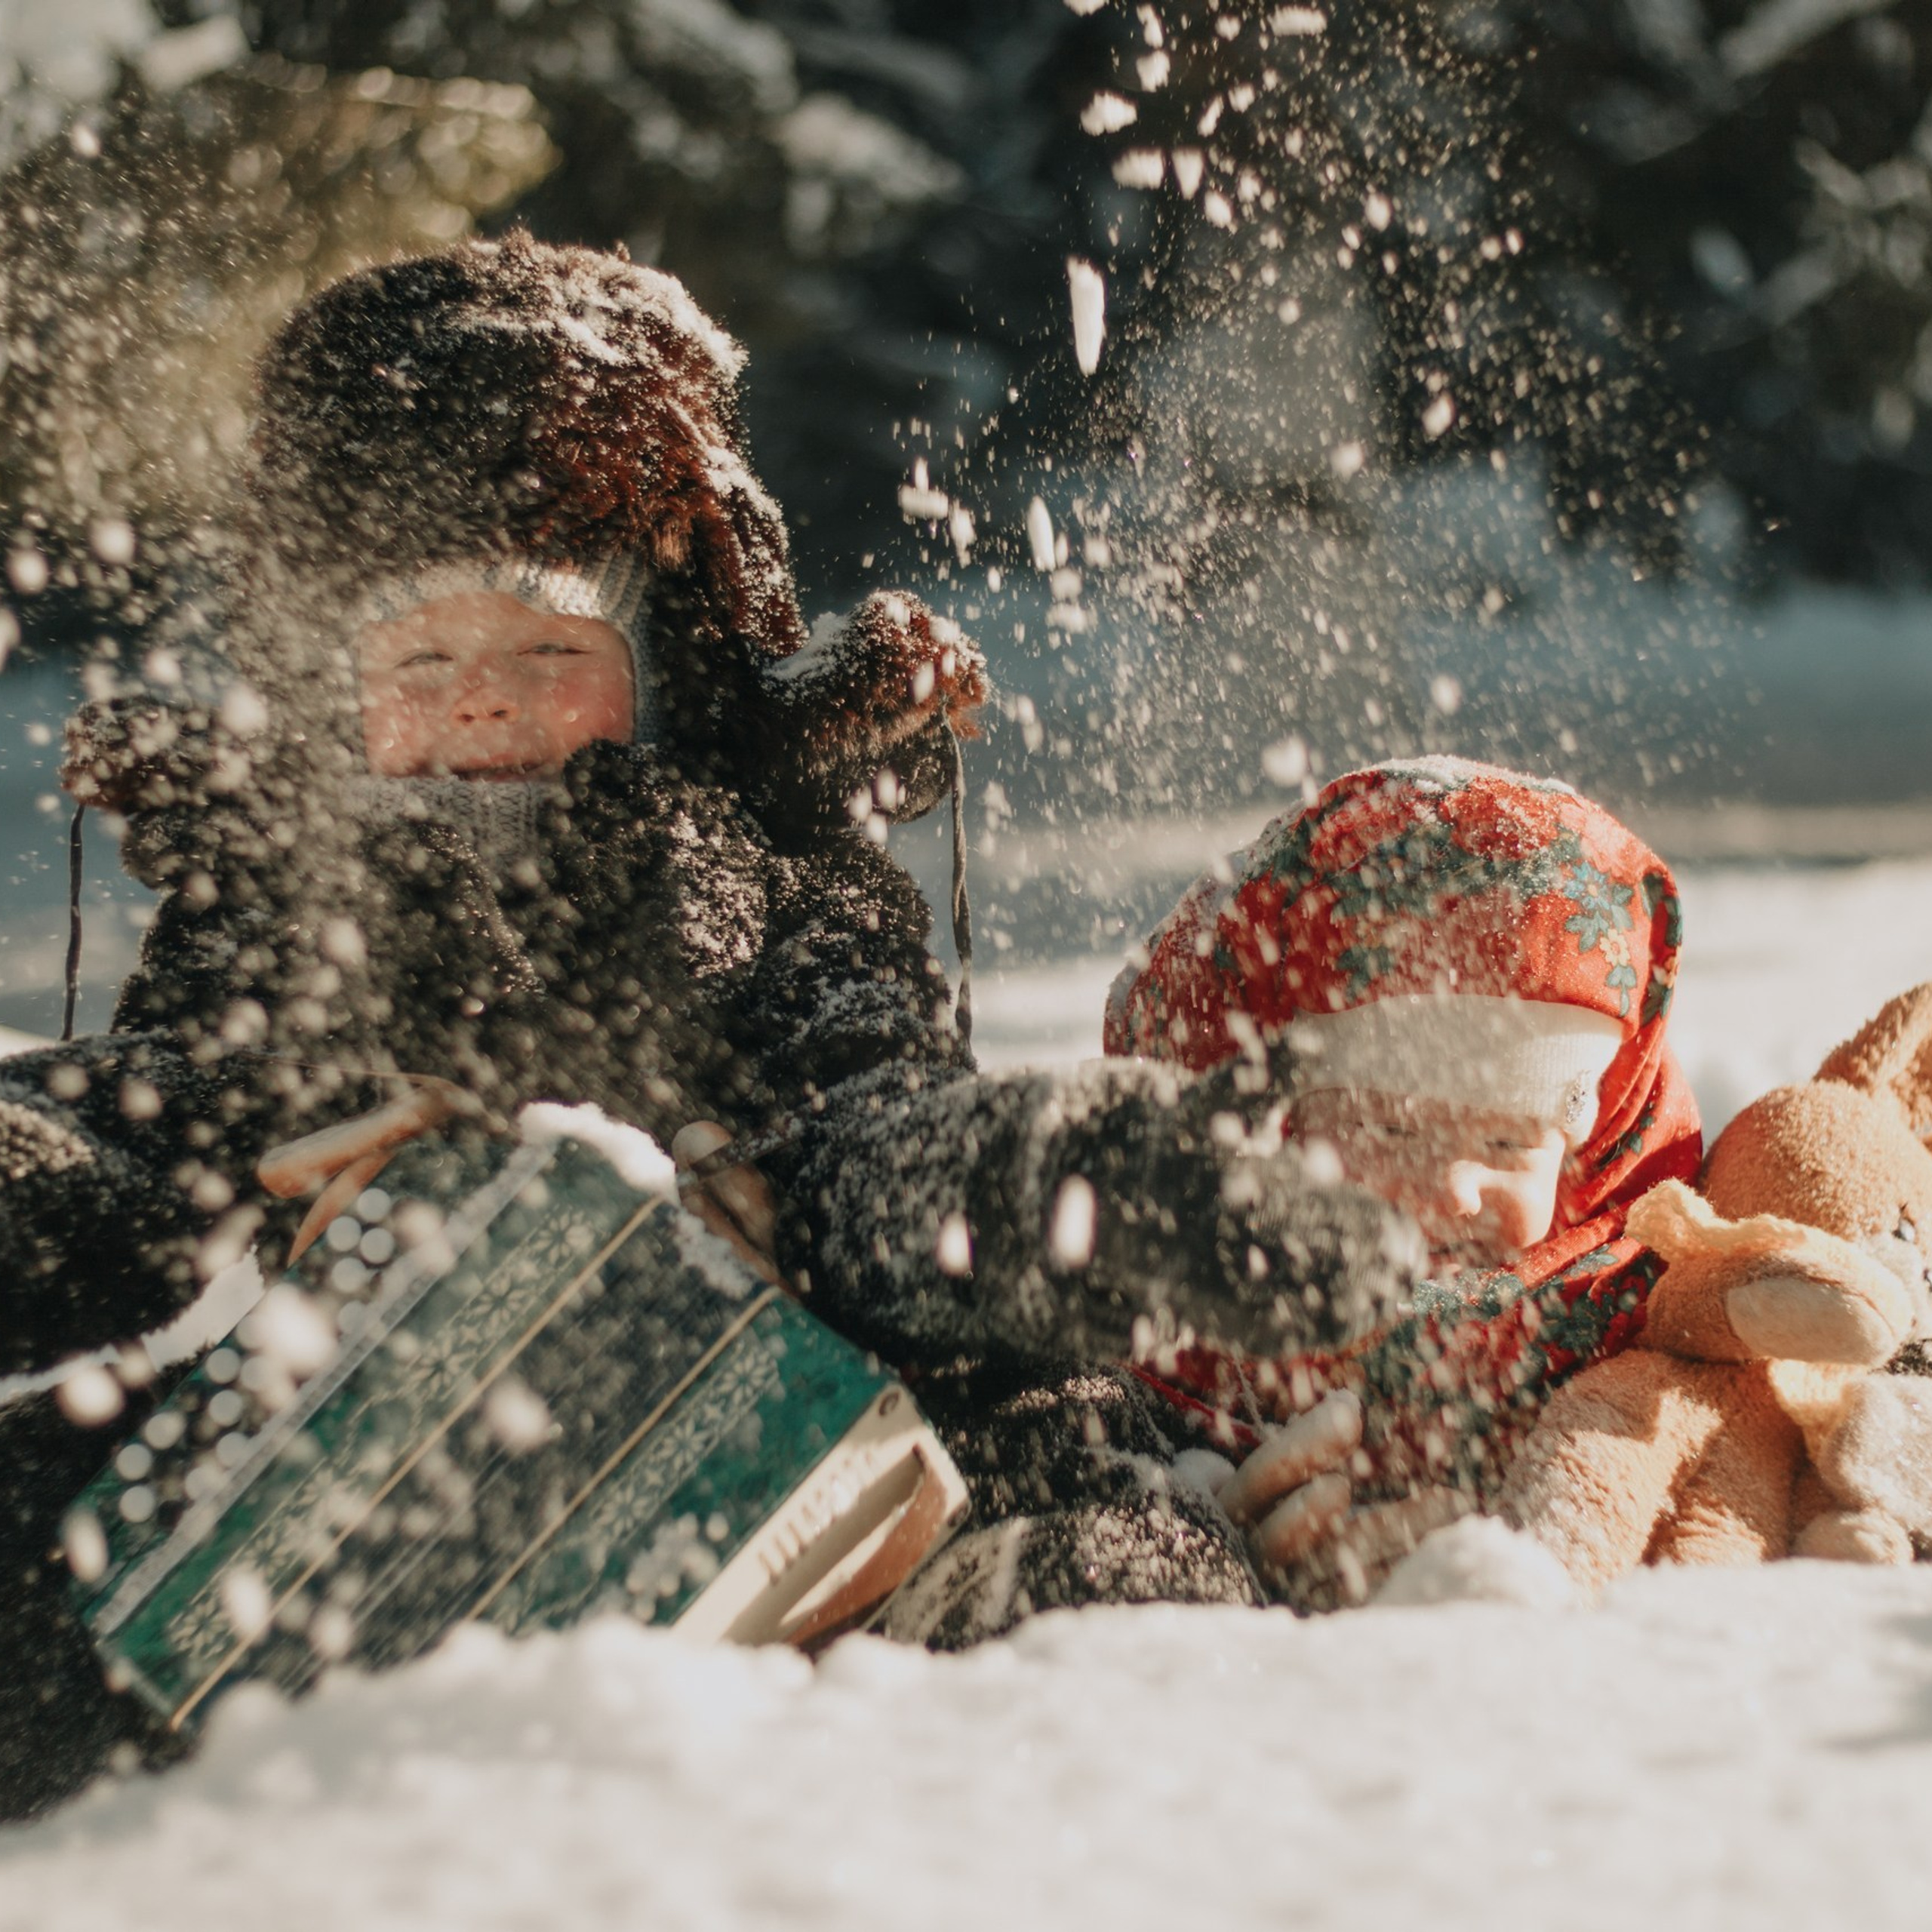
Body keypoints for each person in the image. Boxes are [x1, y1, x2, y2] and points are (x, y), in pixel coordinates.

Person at [0, 234, 1420, 1817]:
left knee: (1088, 1526)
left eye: (550, 652)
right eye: (418, 659)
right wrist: (42, 1160)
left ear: (659, 679)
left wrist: (1073, 1189)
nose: (483, 699)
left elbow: (877, 1127)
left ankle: (978, 1680)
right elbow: (144, 1117)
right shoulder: (286, 912)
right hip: (401, 1463)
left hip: (801, 1456)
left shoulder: (738, 886)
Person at [1103, 756, 1703, 1604]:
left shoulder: (1627, 1325)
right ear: (1286, 1131)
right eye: (1389, 1127)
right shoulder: (1183, 1330)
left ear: (1579, 1161)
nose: (1455, 1190)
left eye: (1505, 1140)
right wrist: (1197, 1550)